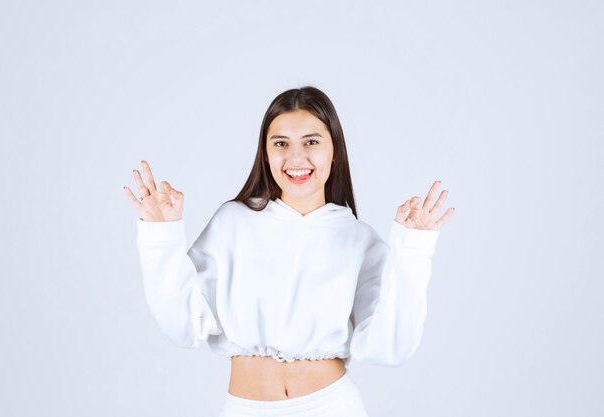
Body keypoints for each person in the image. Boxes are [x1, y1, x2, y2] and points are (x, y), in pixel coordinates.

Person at [123, 86, 454, 417]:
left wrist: (413, 248)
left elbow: (390, 346)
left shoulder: (357, 239)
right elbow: (184, 324)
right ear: (265, 154)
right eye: (281, 143)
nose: (296, 158)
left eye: (311, 142)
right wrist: (161, 234)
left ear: (334, 151)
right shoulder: (234, 223)